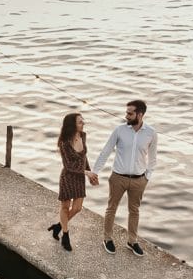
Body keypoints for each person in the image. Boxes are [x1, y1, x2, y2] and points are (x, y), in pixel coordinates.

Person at [91, 99, 157, 256]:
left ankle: (132, 241)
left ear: (140, 114)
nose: (126, 115)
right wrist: (95, 171)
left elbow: (153, 158)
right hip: (118, 177)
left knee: (134, 210)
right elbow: (106, 151)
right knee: (111, 208)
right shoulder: (119, 130)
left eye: (130, 113)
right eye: (126, 112)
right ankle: (107, 238)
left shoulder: (151, 133)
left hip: (139, 179)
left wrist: (147, 177)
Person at [49, 113, 98, 252]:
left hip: (80, 179)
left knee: (77, 208)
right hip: (68, 178)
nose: (83, 123)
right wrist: (86, 172)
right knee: (65, 207)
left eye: (83, 121)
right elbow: (69, 166)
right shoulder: (64, 143)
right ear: (72, 125)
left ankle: (58, 226)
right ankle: (65, 235)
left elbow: (84, 157)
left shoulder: (83, 136)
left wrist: (89, 173)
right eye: (80, 122)